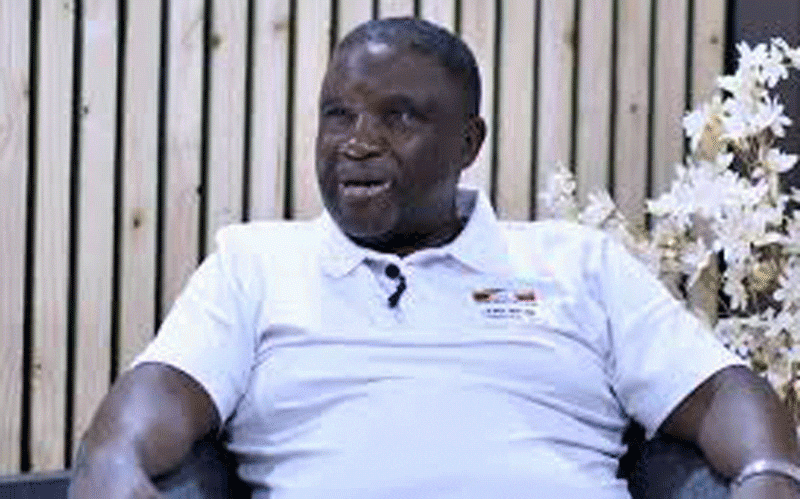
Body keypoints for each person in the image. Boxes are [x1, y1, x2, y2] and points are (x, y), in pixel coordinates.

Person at [71, 17, 800, 498]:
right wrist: (113, 461)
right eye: (338, 115)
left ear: (468, 143)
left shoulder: (576, 263)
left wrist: (770, 473)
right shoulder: (255, 263)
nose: (357, 142)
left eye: (399, 118)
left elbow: (722, 393)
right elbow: (152, 401)